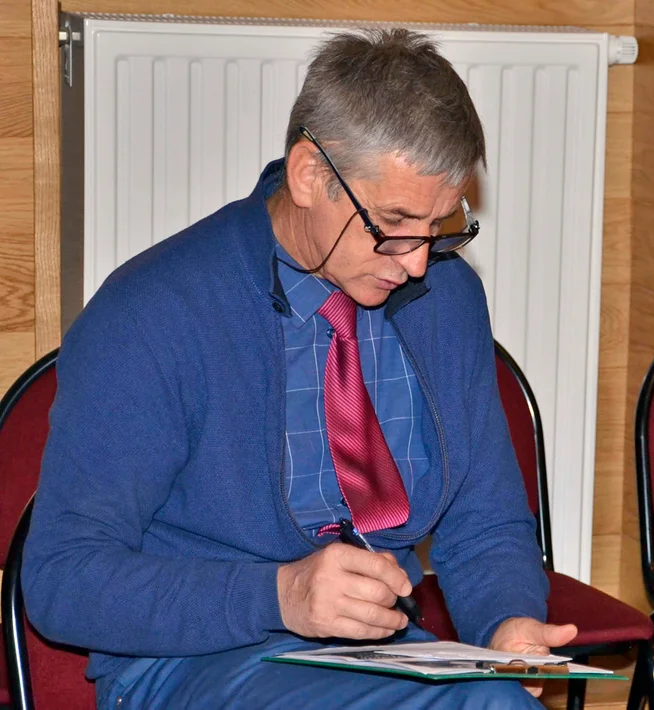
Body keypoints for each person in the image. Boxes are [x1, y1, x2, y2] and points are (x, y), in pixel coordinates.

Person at [22, 29, 576, 709]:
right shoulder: (158, 311)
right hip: (189, 663)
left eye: (438, 227)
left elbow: (485, 522)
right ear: (311, 174)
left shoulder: (445, 301)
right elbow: (62, 579)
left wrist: (507, 622)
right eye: (395, 222)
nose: (417, 262)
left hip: (383, 654)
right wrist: (278, 595)